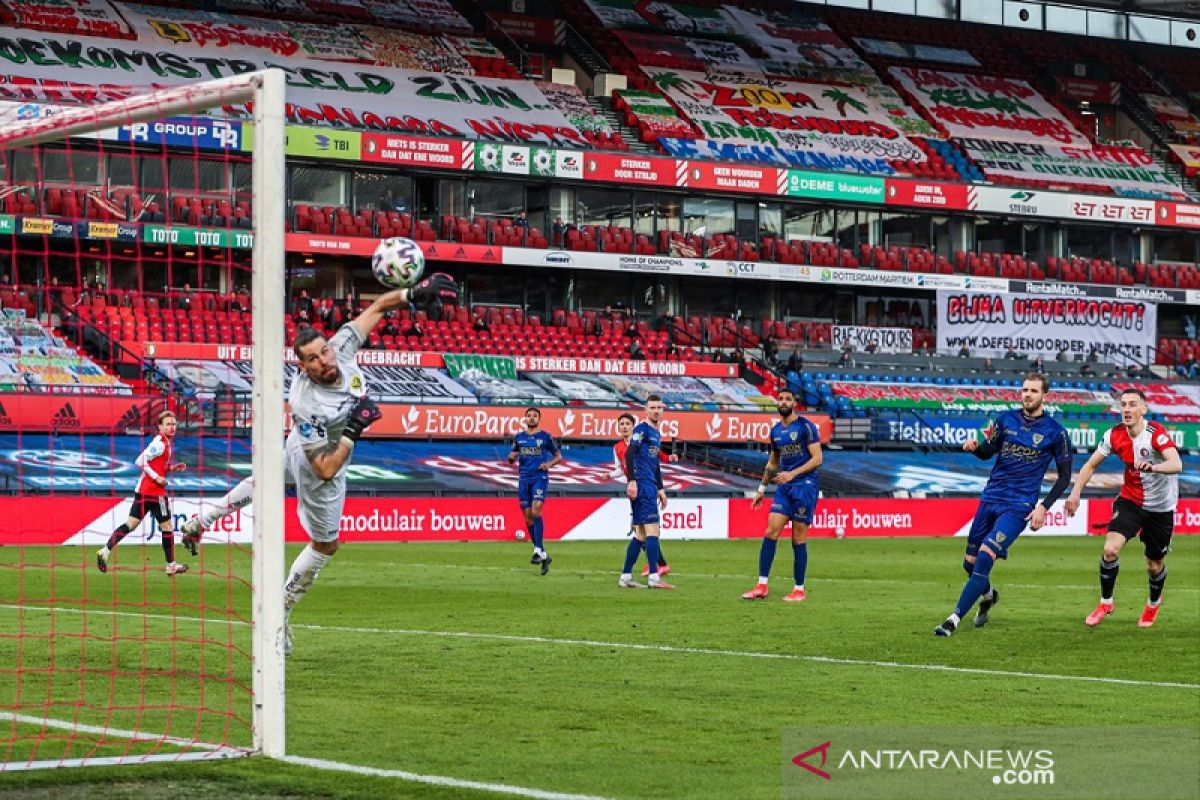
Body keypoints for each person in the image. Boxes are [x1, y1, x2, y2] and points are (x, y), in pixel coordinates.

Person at [180, 273, 459, 654]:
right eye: (313, 359)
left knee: (265, 478)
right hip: (321, 456)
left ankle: (203, 520)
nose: (324, 360)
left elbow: (377, 306)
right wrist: (355, 430)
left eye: (324, 351)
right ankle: (278, 613)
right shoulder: (306, 403)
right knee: (326, 544)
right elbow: (324, 469)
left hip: (302, 444)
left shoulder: (340, 349)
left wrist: (413, 294)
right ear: (303, 367)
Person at [933, 373, 1073, 636]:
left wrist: (1044, 506)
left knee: (987, 554)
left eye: (1033, 390)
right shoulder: (1006, 420)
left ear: (1045, 395)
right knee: (970, 564)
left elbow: (1065, 476)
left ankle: (952, 620)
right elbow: (988, 451)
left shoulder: (1056, 432)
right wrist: (975, 447)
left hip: (1019, 504)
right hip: (991, 498)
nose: (1027, 395)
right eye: (1024, 390)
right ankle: (988, 596)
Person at [1065, 389, 1182, 628]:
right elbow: (1090, 465)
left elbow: (1176, 463)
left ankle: (1153, 603)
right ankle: (1106, 602)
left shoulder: (1155, 434)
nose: (1127, 409)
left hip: (1160, 508)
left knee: (1153, 565)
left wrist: (1153, 467)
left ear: (1143, 409)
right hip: (1130, 502)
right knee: (1110, 550)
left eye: (1132, 405)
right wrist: (1075, 493)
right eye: (1123, 405)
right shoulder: (1114, 435)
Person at [741, 389, 822, 603]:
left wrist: (792, 474)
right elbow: (773, 463)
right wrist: (760, 489)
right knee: (770, 532)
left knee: (798, 538)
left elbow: (817, 459)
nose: (784, 402)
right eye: (781, 399)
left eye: (788, 399)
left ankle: (799, 589)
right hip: (784, 488)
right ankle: (761, 585)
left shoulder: (806, 427)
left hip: (804, 486)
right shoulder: (775, 431)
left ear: (794, 403)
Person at [96, 411, 189, 575]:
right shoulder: (160, 443)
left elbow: (154, 463)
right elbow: (140, 460)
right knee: (167, 527)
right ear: (160, 426)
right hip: (155, 492)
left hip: (143, 491)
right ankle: (171, 565)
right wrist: (157, 477)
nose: (172, 427)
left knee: (130, 525)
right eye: (168, 424)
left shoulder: (165, 442)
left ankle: (105, 550)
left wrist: (171, 468)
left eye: (174, 424)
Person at [610, 412, 676, 579]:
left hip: (643, 485)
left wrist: (660, 488)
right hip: (642, 485)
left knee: (640, 532)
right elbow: (628, 458)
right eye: (621, 424)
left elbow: (656, 462)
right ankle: (655, 573)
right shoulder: (633, 440)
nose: (624, 426)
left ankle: (626, 576)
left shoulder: (652, 435)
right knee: (652, 530)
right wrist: (632, 480)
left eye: (627, 423)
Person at [508, 407, 562, 574]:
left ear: (539, 419)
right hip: (524, 479)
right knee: (528, 517)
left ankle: (537, 549)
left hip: (539, 477)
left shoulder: (545, 437)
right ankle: (544, 555)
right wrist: (511, 458)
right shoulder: (519, 438)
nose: (531, 418)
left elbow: (558, 457)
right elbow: (512, 456)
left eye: (535, 416)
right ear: (525, 419)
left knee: (537, 509)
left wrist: (548, 464)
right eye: (529, 416)